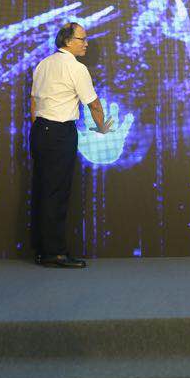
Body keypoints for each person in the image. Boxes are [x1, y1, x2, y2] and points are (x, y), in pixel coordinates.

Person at [30, 22, 112, 268]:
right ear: (67, 41)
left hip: (40, 131)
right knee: (57, 193)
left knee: (43, 191)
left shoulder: (43, 64)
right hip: (59, 133)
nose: (86, 43)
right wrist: (101, 127)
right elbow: (93, 103)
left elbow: (33, 102)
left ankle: (42, 250)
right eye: (82, 39)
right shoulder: (76, 68)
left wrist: (38, 128)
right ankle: (56, 253)